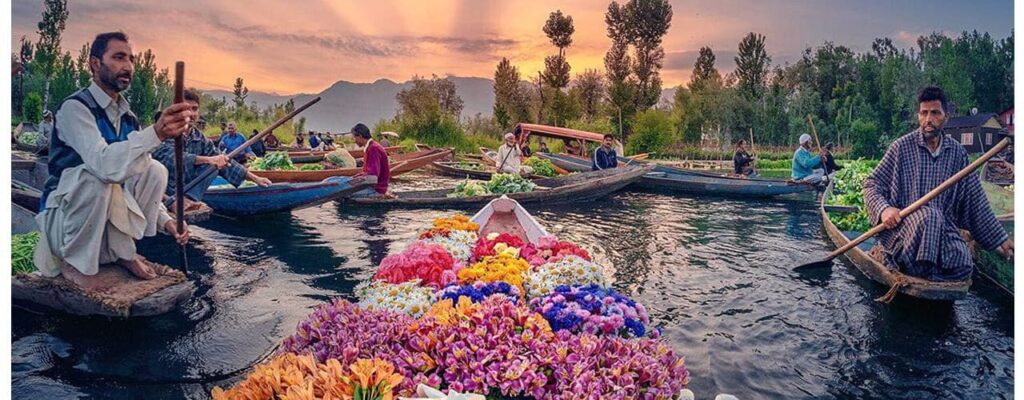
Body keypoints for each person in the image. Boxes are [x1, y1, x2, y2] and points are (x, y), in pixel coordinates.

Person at [33, 31, 191, 286]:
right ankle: (74, 262)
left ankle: (122, 252)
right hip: (64, 224)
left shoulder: (129, 119)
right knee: (95, 177)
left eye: (131, 59)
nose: (127, 66)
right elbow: (104, 166)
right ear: (95, 63)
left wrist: (168, 222)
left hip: (105, 222)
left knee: (155, 170)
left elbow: (133, 177)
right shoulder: (75, 108)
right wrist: (156, 133)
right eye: (118, 57)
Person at [863, 86, 1012, 282]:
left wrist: (1001, 240)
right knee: (929, 217)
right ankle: (895, 259)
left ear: (946, 117)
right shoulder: (901, 148)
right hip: (905, 231)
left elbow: (977, 203)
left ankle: (928, 278)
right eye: (923, 113)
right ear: (918, 116)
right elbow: (871, 184)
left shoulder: (957, 154)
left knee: (964, 264)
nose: (928, 120)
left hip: (943, 230)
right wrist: (884, 210)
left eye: (935, 113)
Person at [153, 89, 271, 210]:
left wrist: (256, 179)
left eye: (194, 109)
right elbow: (172, 157)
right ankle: (176, 201)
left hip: (185, 191)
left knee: (217, 164)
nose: (191, 114)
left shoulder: (199, 137)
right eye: (186, 109)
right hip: (162, 191)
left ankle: (189, 199)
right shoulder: (165, 131)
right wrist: (209, 159)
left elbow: (225, 162)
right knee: (212, 161)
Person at [351, 123, 392, 198]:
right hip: (374, 188)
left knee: (342, 195)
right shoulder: (371, 147)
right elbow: (367, 173)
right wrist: (352, 178)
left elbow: (372, 176)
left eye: (354, 138)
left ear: (360, 136)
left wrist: (353, 182)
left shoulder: (373, 148)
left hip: (376, 190)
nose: (354, 141)